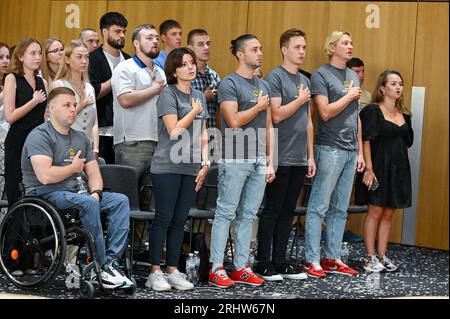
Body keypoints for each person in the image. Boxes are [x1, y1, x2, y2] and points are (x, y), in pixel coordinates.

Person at [21, 86, 133, 289]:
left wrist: (97, 192)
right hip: (44, 195)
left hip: (74, 194)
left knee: (120, 201)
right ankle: (100, 266)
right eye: (66, 105)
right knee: (88, 203)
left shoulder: (81, 137)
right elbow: (45, 176)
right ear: (51, 108)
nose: (73, 109)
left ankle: (111, 261)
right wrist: (72, 168)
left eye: (74, 105)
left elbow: (94, 174)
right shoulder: (39, 136)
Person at [208, 34, 275, 288]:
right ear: (240, 54)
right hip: (234, 158)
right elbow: (233, 121)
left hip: (259, 158)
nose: (260, 53)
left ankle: (241, 266)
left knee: (248, 215)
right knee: (226, 212)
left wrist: (270, 160)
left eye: (260, 48)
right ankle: (216, 268)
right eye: (254, 49)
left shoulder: (263, 85)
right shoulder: (229, 84)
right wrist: (257, 108)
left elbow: (268, 125)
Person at [145, 47, 209, 292]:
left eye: (192, 63)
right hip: (166, 165)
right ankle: (154, 271)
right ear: (174, 70)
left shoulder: (199, 95)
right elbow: (174, 131)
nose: (190, 67)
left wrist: (205, 163)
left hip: (191, 166)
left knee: (180, 220)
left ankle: (173, 269)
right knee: (164, 218)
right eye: (184, 64)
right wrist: (193, 111)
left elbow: (203, 133)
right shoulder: (167, 94)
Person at [303, 31, 365, 278]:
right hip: (329, 147)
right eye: (345, 43)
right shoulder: (321, 75)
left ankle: (332, 257)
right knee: (319, 206)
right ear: (332, 47)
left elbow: (355, 117)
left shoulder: (352, 75)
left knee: (340, 208)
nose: (350, 46)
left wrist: (359, 150)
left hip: (350, 149)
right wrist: (349, 95)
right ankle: (311, 259)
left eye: (351, 42)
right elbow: (325, 112)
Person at [256, 28, 315, 281]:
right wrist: (301, 100)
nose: (301, 52)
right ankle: (264, 262)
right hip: (279, 154)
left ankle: (280, 261)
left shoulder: (306, 80)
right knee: (273, 209)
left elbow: (309, 122)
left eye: (304, 47)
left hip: (300, 156)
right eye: (297, 47)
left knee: (289, 210)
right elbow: (277, 114)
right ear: (284, 49)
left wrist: (311, 155)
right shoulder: (274, 77)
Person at [111, 23, 166, 253]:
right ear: (136, 43)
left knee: (149, 203)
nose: (155, 41)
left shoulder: (160, 72)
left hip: (157, 143)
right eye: (149, 37)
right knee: (127, 202)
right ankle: (119, 253)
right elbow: (125, 99)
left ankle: (138, 251)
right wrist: (154, 89)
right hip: (131, 141)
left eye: (156, 37)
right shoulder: (125, 68)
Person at [356, 70, 413, 273]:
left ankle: (382, 255)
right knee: (376, 211)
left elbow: (407, 141)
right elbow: (366, 141)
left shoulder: (404, 114)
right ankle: (369, 256)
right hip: (378, 167)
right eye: (393, 83)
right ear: (382, 88)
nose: (398, 87)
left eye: (400, 83)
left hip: (398, 169)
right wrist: (369, 169)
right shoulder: (372, 111)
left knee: (389, 212)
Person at [3, 38, 48, 206]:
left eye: (40, 53)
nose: (38, 57)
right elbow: (10, 116)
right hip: (17, 142)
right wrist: (33, 101)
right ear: (21, 57)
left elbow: (44, 116)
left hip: (37, 142)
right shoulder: (12, 79)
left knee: (37, 191)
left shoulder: (42, 82)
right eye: (33, 53)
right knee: (17, 192)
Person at [89, 11, 130, 164]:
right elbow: (93, 92)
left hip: (126, 131)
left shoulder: (128, 60)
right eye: (117, 31)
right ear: (105, 32)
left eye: (124, 31)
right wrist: (115, 79)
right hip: (103, 129)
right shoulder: (92, 59)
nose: (122, 35)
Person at [51, 40, 99, 159]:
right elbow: (60, 119)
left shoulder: (89, 87)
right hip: (64, 146)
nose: (84, 61)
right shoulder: (59, 85)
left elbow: (95, 123)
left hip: (87, 147)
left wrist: (96, 149)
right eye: (79, 57)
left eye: (86, 57)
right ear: (67, 59)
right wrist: (82, 103)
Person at [188, 29, 221, 132]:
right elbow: (177, 107)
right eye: (201, 44)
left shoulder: (214, 76)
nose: (206, 48)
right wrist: (203, 98)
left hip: (212, 135)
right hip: (189, 137)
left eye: (208, 44)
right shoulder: (185, 75)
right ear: (190, 48)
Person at [0, 42, 11, 199]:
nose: (5, 61)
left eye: (8, 57)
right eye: (0, 57)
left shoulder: (11, 82)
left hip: (9, 143)